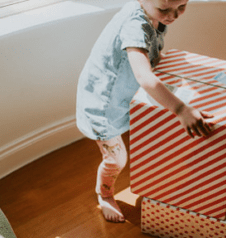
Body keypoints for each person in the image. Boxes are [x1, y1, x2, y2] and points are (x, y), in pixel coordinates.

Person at [76, 0, 213, 222]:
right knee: (117, 158)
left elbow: (151, 52)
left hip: (123, 93)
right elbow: (143, 75)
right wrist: (180, 109)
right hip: (103, 104)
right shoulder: (134, 26)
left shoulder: (153, 13)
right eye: (164, 10)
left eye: (182, 6)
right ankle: (105, 194)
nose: (174, 15)